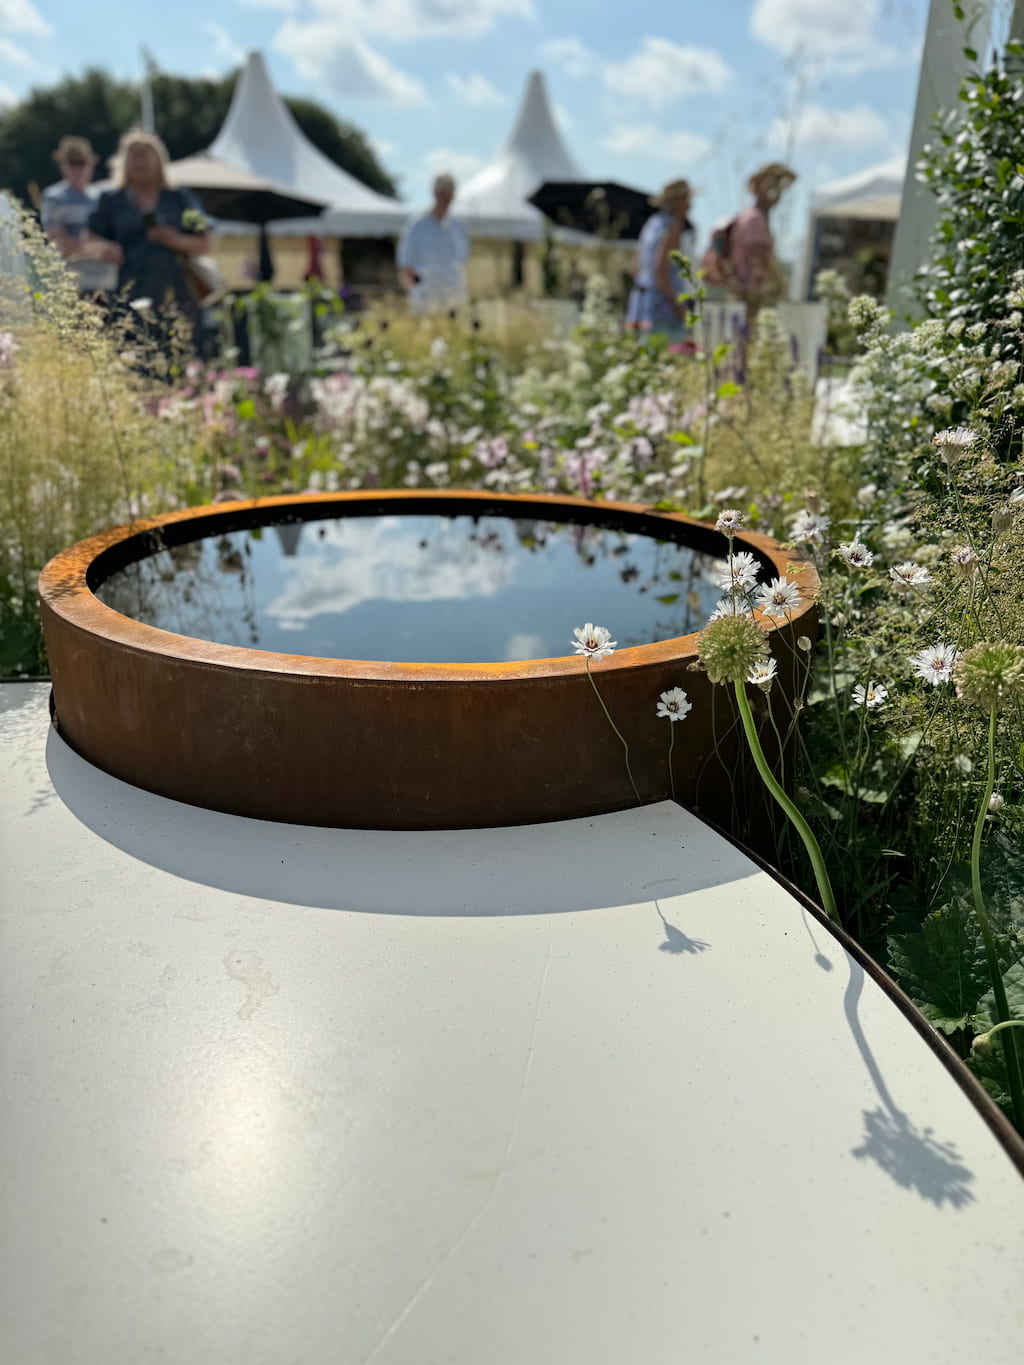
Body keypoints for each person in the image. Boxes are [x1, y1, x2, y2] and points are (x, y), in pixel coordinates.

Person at [82, 129, 212, 344]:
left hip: (176, 295)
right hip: (125, 295)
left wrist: (177, 241)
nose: (139, 162)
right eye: (133, 156)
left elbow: (207, 241)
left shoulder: (181, 199)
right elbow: (88, 237)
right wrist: (106, 247)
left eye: (144, 155)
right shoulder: (111, 201)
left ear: (158, 160)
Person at [707, 163, 796, 317]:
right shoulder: (755, 219)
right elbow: (759, 261)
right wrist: (776, 287)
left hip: (745, 292)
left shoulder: (751, 216)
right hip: (751, 295)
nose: (775, 194)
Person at [40, 136, 115, 294]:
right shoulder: (53, 197)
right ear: (63, 165)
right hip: (69, 275)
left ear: (90, 164)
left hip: (102, 276)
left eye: (81, 162)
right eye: (72, 163)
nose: (77, 169)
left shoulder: (100, 197)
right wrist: (97, 247)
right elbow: (57, 241)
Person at [624, 178, 697, 342]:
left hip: (642, 301)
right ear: (680, 201)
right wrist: (677, 305)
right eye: (688, 199)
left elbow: (635, 268)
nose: (690, 205)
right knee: (669, 356)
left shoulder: (652, 224)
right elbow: (660, 270)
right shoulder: (673, 227)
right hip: (664, 306)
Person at [397, 173, 469, 314]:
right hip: (425, 293)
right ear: (435, 194)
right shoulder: (417, 225)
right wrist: (415, 288)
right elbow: (405, 263)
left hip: (453, 292)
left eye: (448, 194)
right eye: (442, 194)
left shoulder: (457, 225)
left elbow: (463, 259)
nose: (445, 199)